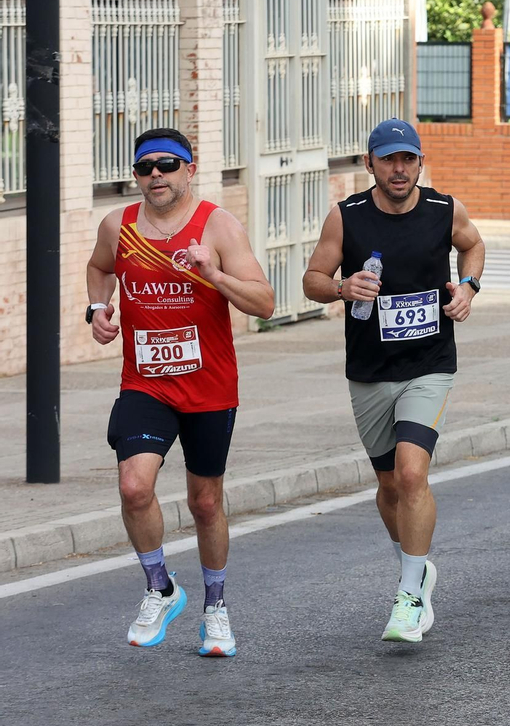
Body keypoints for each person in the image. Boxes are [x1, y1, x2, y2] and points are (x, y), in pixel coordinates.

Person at [86, 127, 275, 655]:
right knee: (133, 487)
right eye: (146, 167)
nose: (156, 176)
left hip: (210, 386)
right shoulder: (118, 226)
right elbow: (99, 268)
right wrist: (97, 309)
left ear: (189, 170)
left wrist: (214, 272)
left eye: (168, 165)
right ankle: (160, 588)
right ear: (136, 176)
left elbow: (264, 302)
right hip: (145, 384)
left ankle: (215, 608)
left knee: (206, 501)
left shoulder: (217, 225)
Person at [302, 119, 486, 643]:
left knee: (410, 475)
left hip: (429, 364)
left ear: (420, 163)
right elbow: (312, 280)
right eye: (388, 160)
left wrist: (468, 287)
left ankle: (410, 593)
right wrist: (342, 287)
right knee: (387, 486)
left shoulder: (444, 210)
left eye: (408, 159)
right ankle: (416, 564)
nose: (399, 169)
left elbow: (473, 246)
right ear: (370, 165)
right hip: (368, 371)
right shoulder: (347, 217)